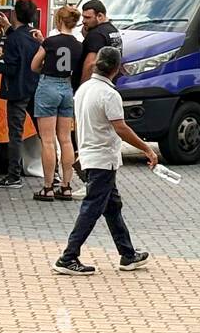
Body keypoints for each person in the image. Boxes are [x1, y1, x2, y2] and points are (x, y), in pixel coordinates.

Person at [53, 46, 156, 275]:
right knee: (92, 208)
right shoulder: (110, 95)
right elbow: (121, 128)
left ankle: (128, 254)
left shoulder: (83, 89)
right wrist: (146, 149)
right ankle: (68, 256)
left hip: (90, 155)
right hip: (103, 159)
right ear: (117, 69)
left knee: (112, 206)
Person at [31, 5, 83, 202]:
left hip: (48, 86)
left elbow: (34, 65)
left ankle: (47, 187)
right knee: (66, 139)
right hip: (67, 88)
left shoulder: (50, 42)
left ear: (59, 20)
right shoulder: (79, 44)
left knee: (47, 140)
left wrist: (44, 66)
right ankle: (67, 186)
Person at [0, 0, 42, 190]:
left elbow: (10, 67)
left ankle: (13, 175)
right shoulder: (35, 34)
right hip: (34, 87)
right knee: (43, 132)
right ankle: (53, 171)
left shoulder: (13, 39)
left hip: (17, 90)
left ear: (14, 14)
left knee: (15, 133)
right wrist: (8, 27)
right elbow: (23, 41)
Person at [75, 0, 123, 88]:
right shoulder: (113, 30)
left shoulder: (96, 34)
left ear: (100, 16)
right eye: (83, 17)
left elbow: (90, 64)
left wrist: (82, 89)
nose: (83, 21)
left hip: (93, 87)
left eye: (88, 17)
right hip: (109, 84)